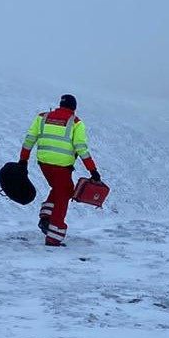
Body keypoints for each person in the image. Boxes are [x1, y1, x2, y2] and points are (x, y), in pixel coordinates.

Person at [20, 94, 101, 247]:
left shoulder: (42, 117)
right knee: (64, 192)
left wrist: (23, 160)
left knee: (60, 189)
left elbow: (29, 138)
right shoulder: (76, 123)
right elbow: (81, 147)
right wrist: (93, 170)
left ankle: (46, 216)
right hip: (62, 166)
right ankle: (54, 235)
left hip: (44, 163)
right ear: (74, 108)